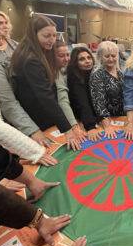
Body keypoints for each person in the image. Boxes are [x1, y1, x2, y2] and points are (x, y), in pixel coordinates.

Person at [10, 15, 80, 151]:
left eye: (54, 35)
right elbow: (45, 97)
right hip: (36, 115)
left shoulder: (36, 51)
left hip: (41, 112)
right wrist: (68, 130)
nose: (52, 40)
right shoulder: (31, 59)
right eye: (47, 36)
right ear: (33, 34)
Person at [0, 18, 51, 148]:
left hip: (24, 111)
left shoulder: (16, 46)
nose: (1, 31)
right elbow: (7, 102)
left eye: (5, 23)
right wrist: (33, 131)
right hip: (6, 119)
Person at [89, 41, 124, 139]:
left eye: (113, 56)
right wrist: (107, 125)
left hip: (121, 117)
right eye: (107, 56)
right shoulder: (97, 74)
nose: (111, 59)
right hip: (106, 120)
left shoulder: (119, 71)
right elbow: (98, 102)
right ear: (100, 56)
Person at [67, 47, 102, 142]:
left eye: (89, 57)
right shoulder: (74, 78)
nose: (87, 61)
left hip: (95, 117)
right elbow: (82, 103)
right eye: (82, 59)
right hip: (81, 119)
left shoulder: (94, 74)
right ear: (75, 62)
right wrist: (90, 127)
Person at [54, 40, 86, 145]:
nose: (67, 59)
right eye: (61, 56)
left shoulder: (67, 70)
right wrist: (74, 125)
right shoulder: (55, 72)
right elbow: (63, 100)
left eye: (68, 55)